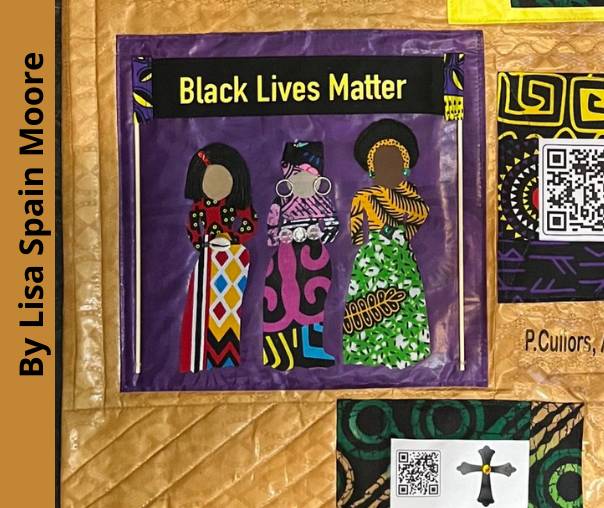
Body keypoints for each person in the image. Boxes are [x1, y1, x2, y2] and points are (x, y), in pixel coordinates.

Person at [341, 120, 430, 368]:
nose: (388, 168)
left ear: (405, 166)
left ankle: (406, 352)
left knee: (404, 303)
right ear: (372, 168)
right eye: (382, 162)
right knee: (370, 304)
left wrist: (403, 234)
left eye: (394, 162)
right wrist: (361, 243)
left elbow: (420, 215)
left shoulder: (409, 196)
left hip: (401, 255)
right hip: (373, 256)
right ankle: (368, 353)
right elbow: (356, 225)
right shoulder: (365, 196)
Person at [259, 139, 337, 368]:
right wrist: (283, 235)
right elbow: (270, 234)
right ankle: (277, 354)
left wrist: (317, 234)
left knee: (314, 304)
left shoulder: (323, 202)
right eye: (296, 175)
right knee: (280, 303)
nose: (302, 180)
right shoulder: (280, 203)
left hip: (316, 258)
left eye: (308, 175)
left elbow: (332, 229)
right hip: (284, 260)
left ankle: (312, 349)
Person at [180, 143, 254, 373]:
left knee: (230, 307)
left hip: (234, 258)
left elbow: (250, 224)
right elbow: (193, 230)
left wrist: (233, 238)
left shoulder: (236, 205)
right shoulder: (198, 208)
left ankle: (227, 356)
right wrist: (202, 244)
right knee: (204, 305)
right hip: (208, 258)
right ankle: (204, 355)